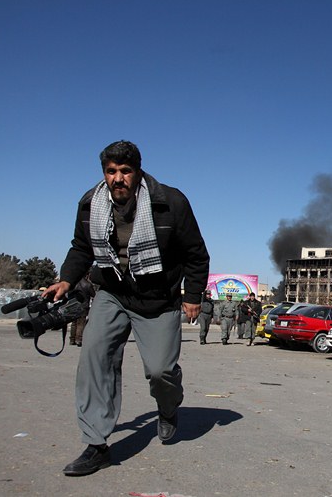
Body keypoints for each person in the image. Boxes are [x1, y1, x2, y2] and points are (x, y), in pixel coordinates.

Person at [43, 140, 209, 476]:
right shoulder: (91, 203)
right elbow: (81, 247)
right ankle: (96, 444)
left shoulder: (171, 202)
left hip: (158, 298)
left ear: (137, 172)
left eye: (125, 171)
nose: (118, 178)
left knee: (161, 371)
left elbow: (196, 254)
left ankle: (168, 407)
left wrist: (192, 296)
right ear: (104, 172)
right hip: (113, 291)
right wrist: (66, 279)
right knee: (94, 357)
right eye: (111, 171)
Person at [69, 273, 96, 347]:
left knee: (73, 323)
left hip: (73, 305)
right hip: (83, 306)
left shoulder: (73, 284)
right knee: (81, 323)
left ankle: (72, 339)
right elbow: (93, 295)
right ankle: (79, 339)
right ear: (86, 275)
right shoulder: (87, 285)